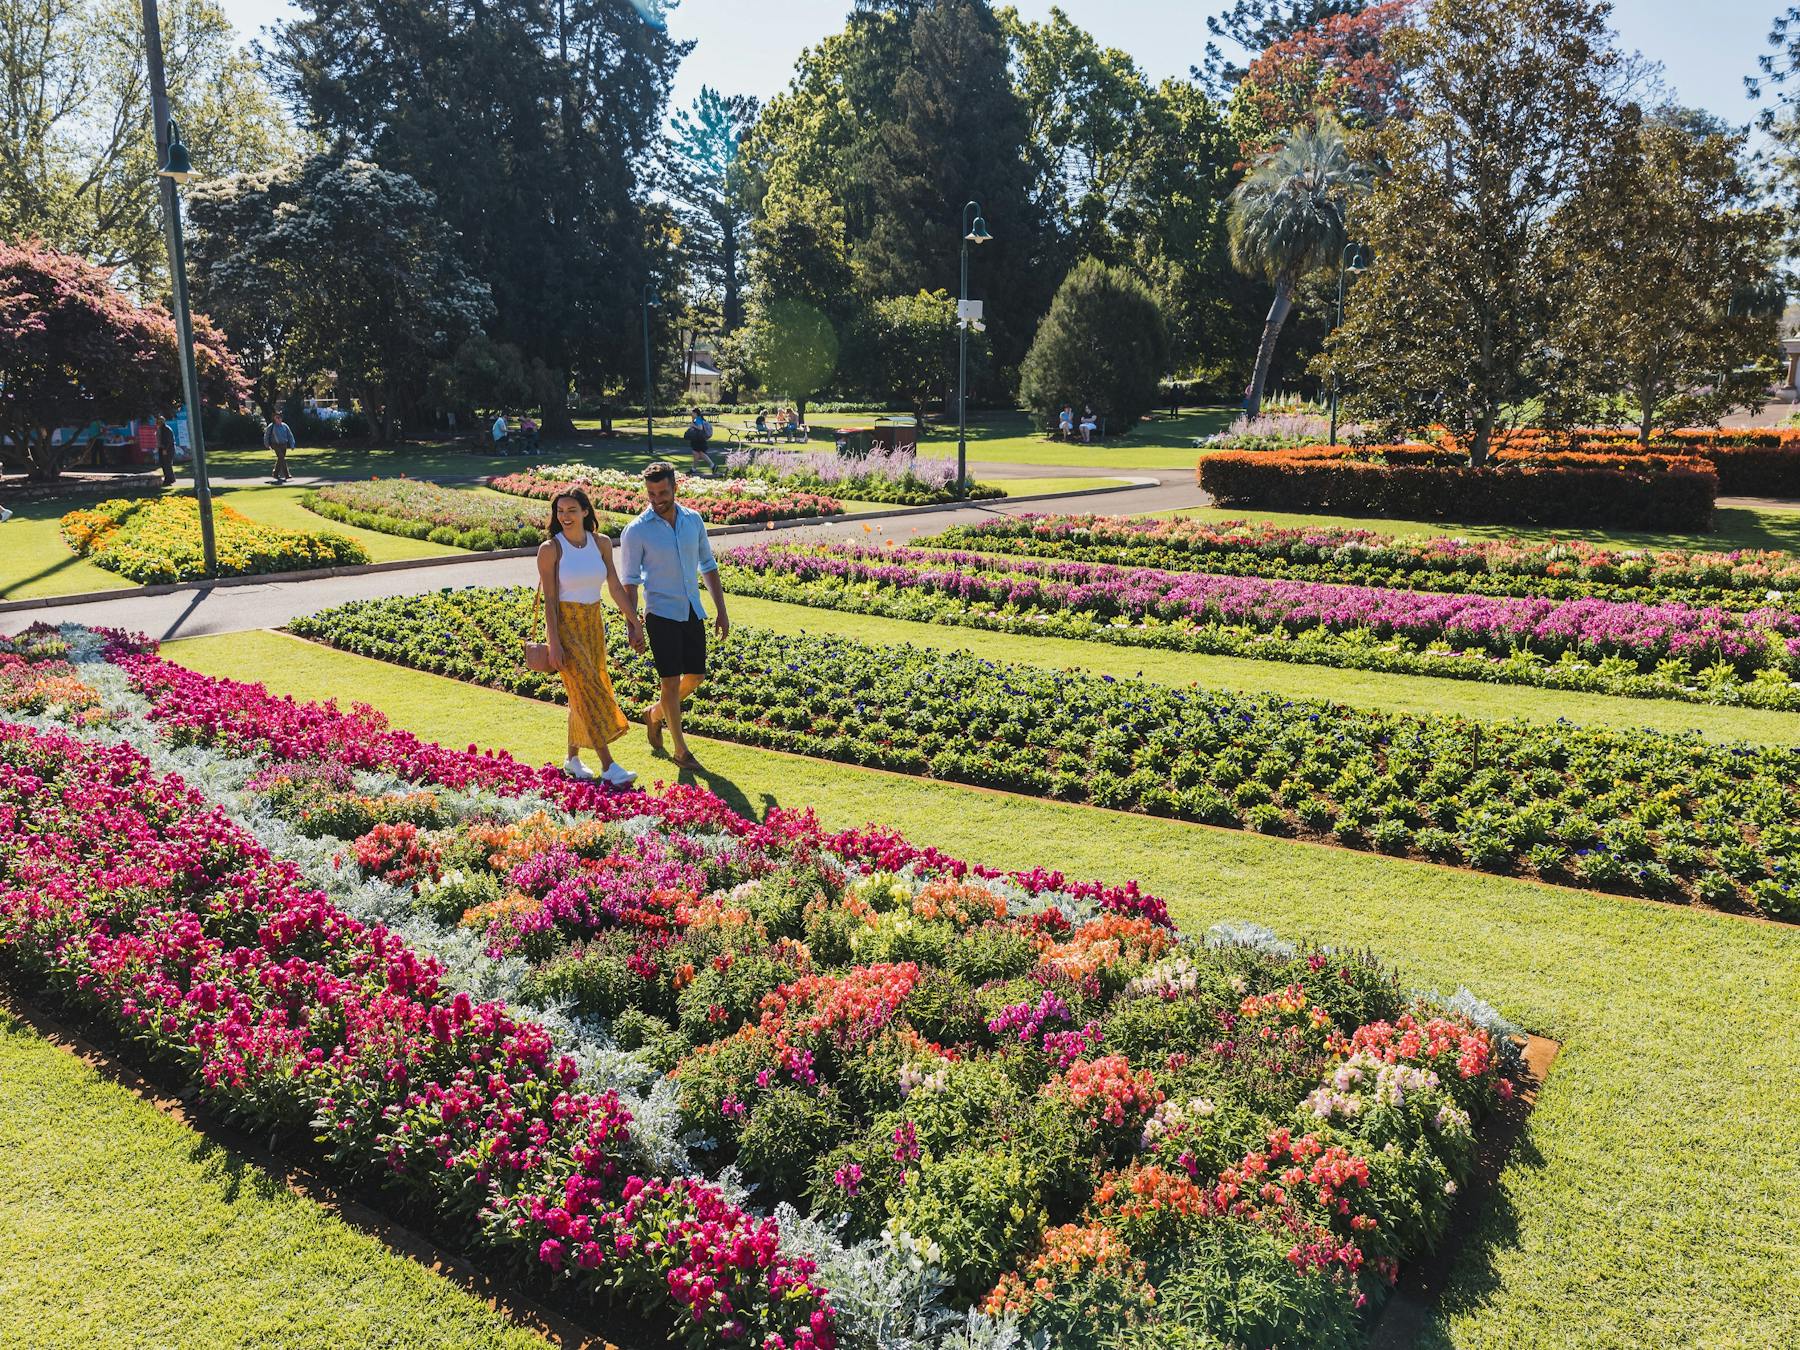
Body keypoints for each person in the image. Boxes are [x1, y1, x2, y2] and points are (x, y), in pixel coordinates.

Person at [618, 462, 728, 770]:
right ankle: (681, 751)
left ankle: (654, 714)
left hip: (692, 608)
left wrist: (721, 610)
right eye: (651, 493)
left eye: (663, 492)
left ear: (675, 487)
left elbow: (708, 565)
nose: (657, 499)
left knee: (695, 676)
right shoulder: (636, 530)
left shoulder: (693, 520)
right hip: (661, 613)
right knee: (669, 682)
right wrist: (633, 625)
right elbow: (629, 581)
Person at [538, 488, 640, 786]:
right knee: (588, 689)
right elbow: (550, 601)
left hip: (593, 625)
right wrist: (553, 642)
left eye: (571, 510)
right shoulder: (550, 549)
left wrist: (635, 621)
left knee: (581, 691)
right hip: (566, 627)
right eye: (560, 511)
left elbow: (615, 587)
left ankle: (572, 758)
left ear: (585, 511)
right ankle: (609, 766)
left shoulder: (602, 543)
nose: (565, 516)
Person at [264, 412, 295, 481]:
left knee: (280, 459)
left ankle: (275, 473)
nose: (278, 419)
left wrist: (292, 444)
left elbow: (290, 435)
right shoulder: (271, 426)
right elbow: (267, 435)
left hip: (284, 444)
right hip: (275, 444)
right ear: (274, 418)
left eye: (280, 417)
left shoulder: (285, 426)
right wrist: (267, 444)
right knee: (281, 458)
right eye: (277, 418)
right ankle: (287, 475)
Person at [155, 415, 176, 487]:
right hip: (161, 448)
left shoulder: (166, 429)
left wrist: (165, 449)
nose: (157, 423)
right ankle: (168, 479)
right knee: (163, 464)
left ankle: (170, 480)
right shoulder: (160, 428)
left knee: (167, 464)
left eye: (158, 421)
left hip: (168, 449)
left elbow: (169, 441)